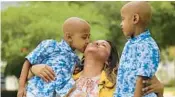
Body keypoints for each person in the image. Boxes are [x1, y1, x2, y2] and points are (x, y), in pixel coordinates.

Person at [28, 40, 164, 97]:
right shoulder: (65, 74)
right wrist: (34, 69)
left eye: (103, 45)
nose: (97, 43)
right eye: (95, 42)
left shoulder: (118, 82)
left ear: (108, 60)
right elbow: (35, 88)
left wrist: (160, 92)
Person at [17, 17, 90, 97]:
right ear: (69, 37)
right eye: (84, 37)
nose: (87, 41)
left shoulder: (76, 60)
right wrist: (21, 87)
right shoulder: (51, 45)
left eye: (89, 37)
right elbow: (28, 62)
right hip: (37, 92)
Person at [114, 1, 161, 97]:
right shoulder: (130, 44)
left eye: (123, 19)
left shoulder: (148, 46)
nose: (121, 24)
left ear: (135, 19)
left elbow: (141, 79)